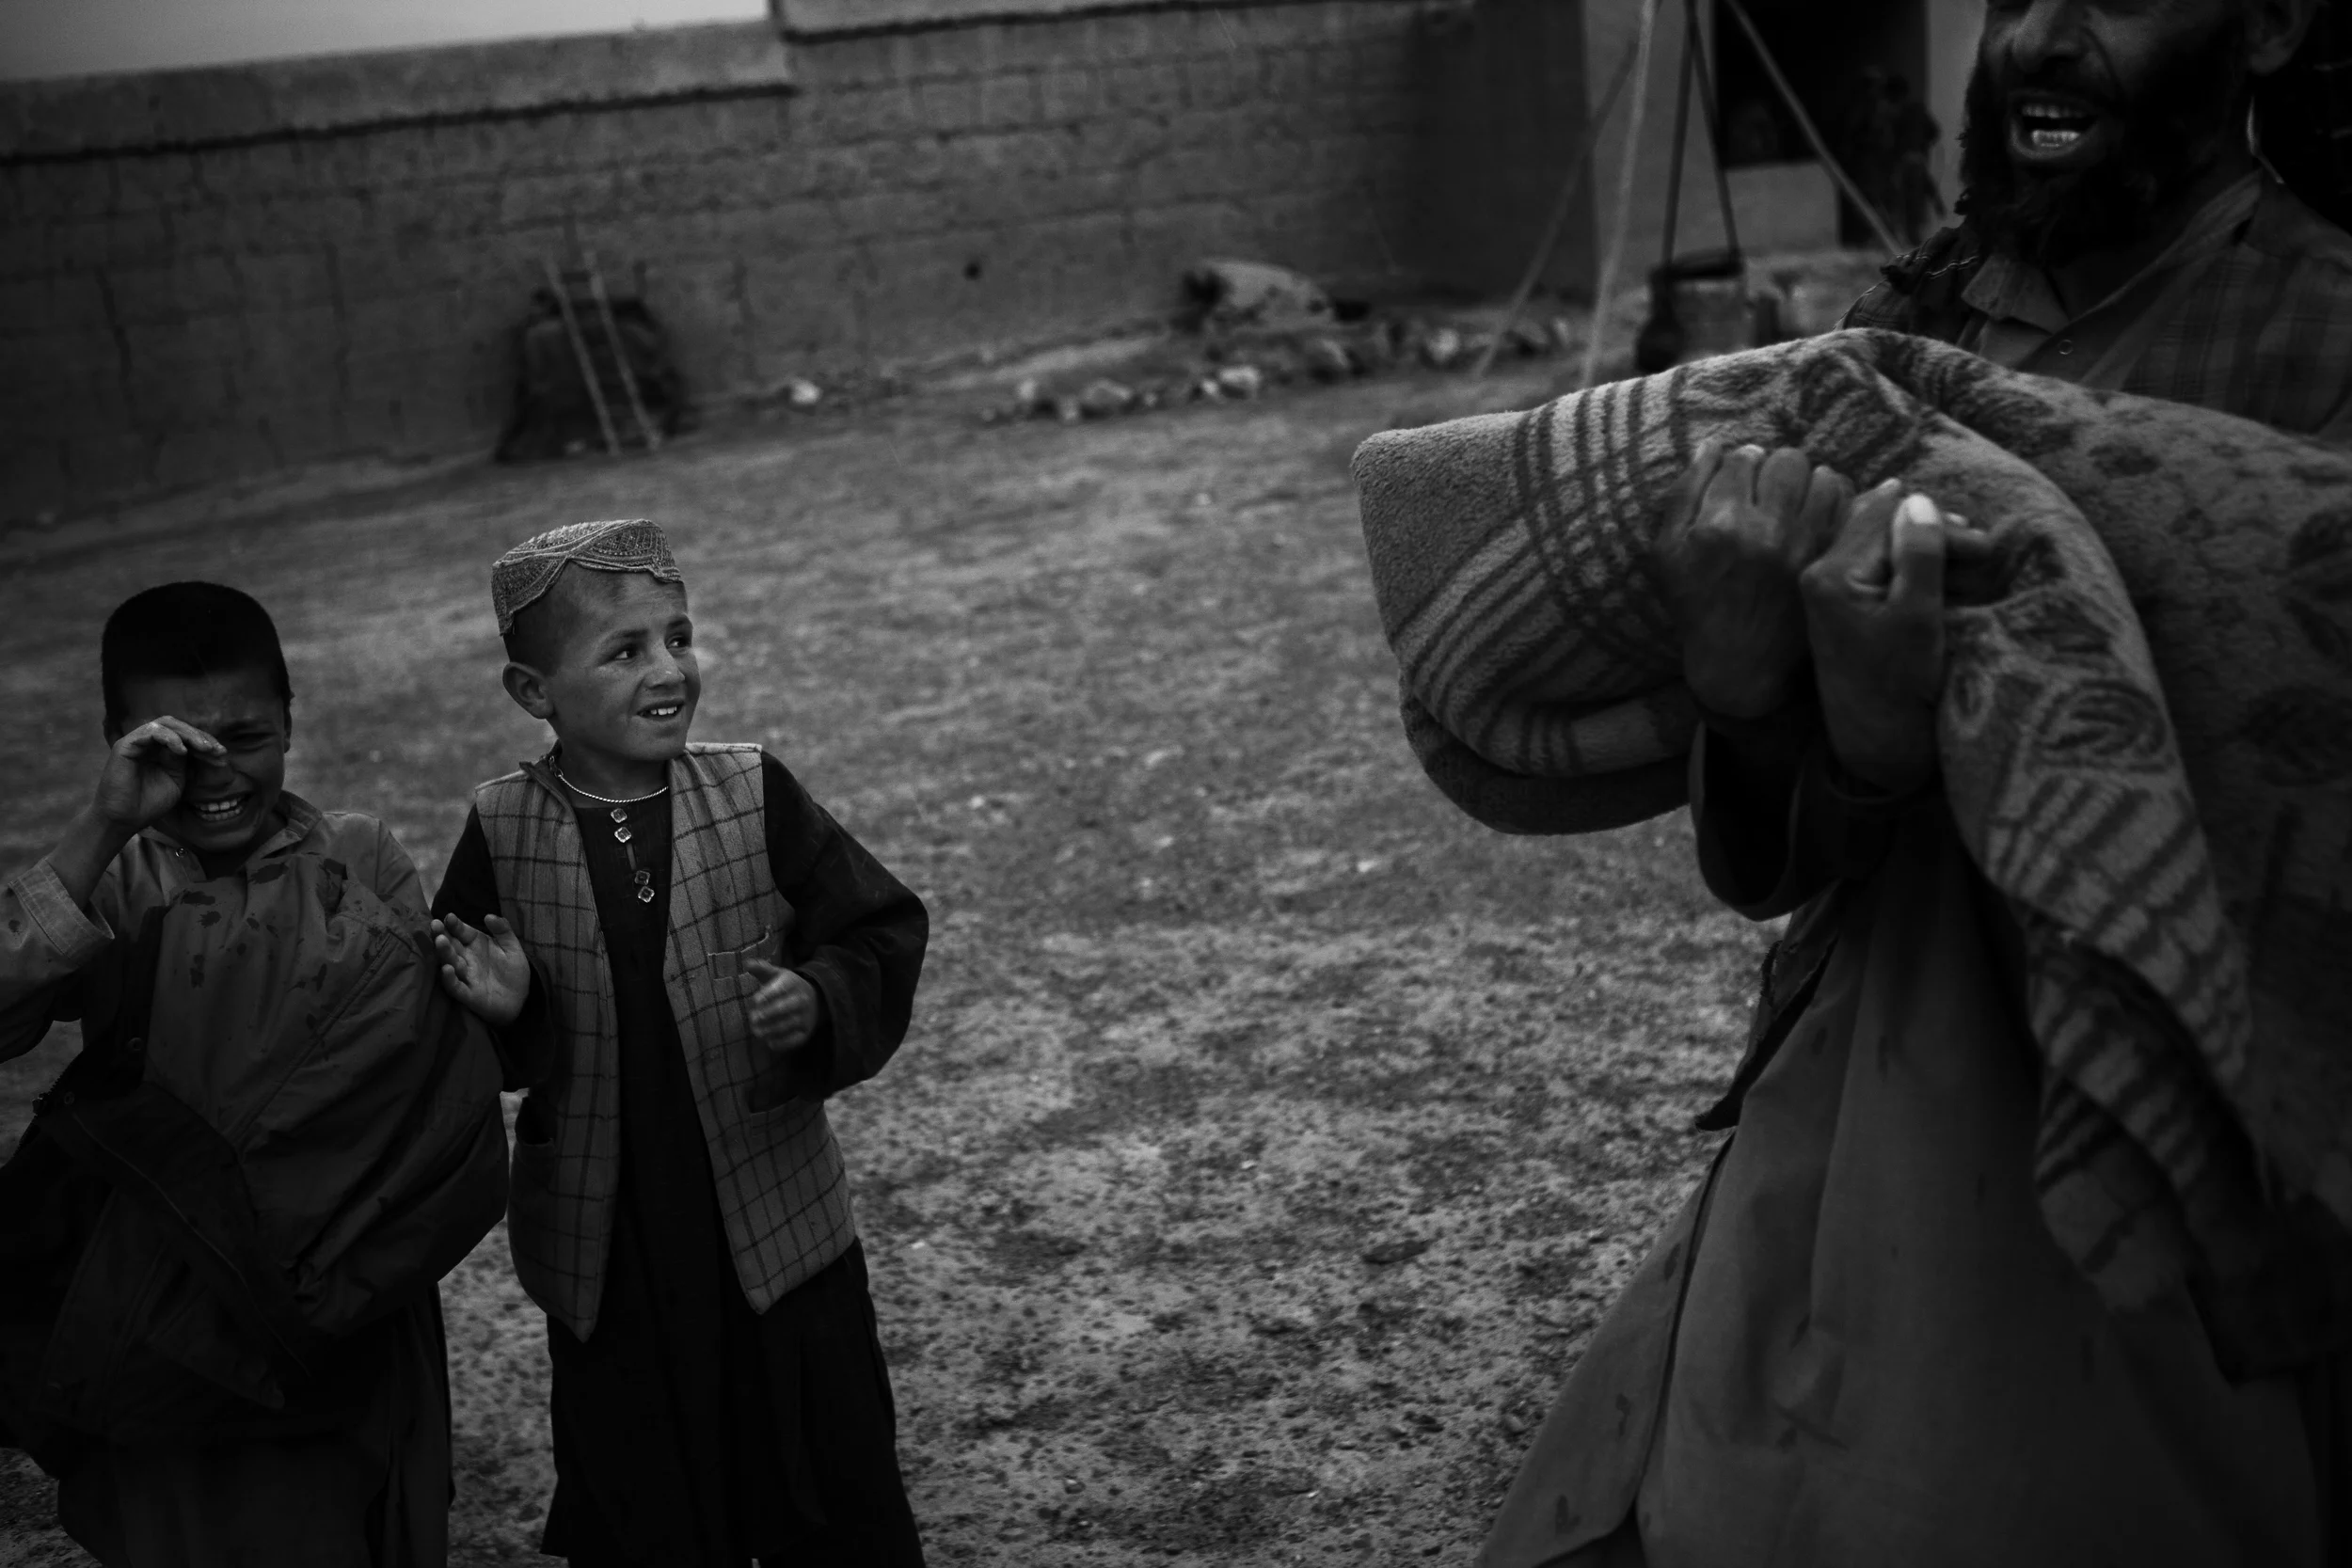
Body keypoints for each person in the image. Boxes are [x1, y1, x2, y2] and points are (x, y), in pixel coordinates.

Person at [1480, 0, 2352, 1563]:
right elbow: (1790, 858)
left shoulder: (2326, 340)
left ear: (2271, 28)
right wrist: (1763, 710)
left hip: (2157, 1228)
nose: (2042, 36)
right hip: (1849, 1125)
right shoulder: (1915, 331)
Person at [428, 518, 930, 1567]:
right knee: (648, 1485)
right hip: (615, 1246)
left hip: (775, 1224)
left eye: (679, 635)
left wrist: (818, 997)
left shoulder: (753, 791)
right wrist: (509, 1009)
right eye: (624, 650)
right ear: (533, 692)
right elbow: (472, 1033)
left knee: (821, 1472)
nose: (669, 670)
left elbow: (876, 925)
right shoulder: (503, 829)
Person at [0, 581, 508, 1567]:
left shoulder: (359, 853)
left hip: (341, 1277)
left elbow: (422, 1067)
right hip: (163, 1293)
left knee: (348, 1515)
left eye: (246, 734)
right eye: (176, 748)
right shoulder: (112, 883)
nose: (215, 772)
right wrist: (104, 824)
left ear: (289, 718)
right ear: (120, 739)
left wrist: (503, 1003)